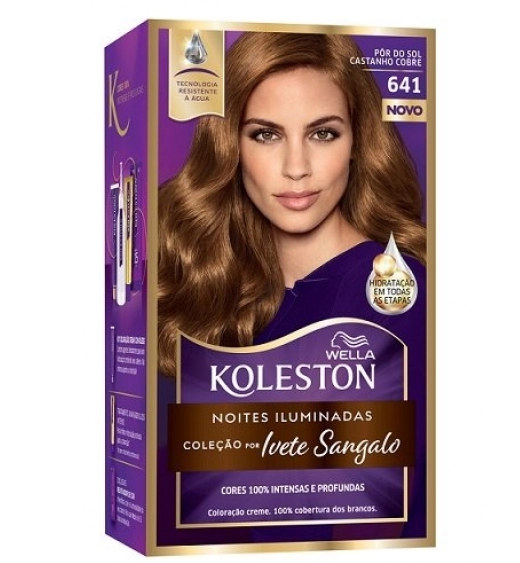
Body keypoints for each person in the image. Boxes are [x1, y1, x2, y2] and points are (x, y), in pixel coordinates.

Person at [158, 32, 426, 377]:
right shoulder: (209, 281)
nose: (296, 168)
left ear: (358, 142)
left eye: (323, 134)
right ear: (230, 146)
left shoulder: (396, 295)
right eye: (266, 135)